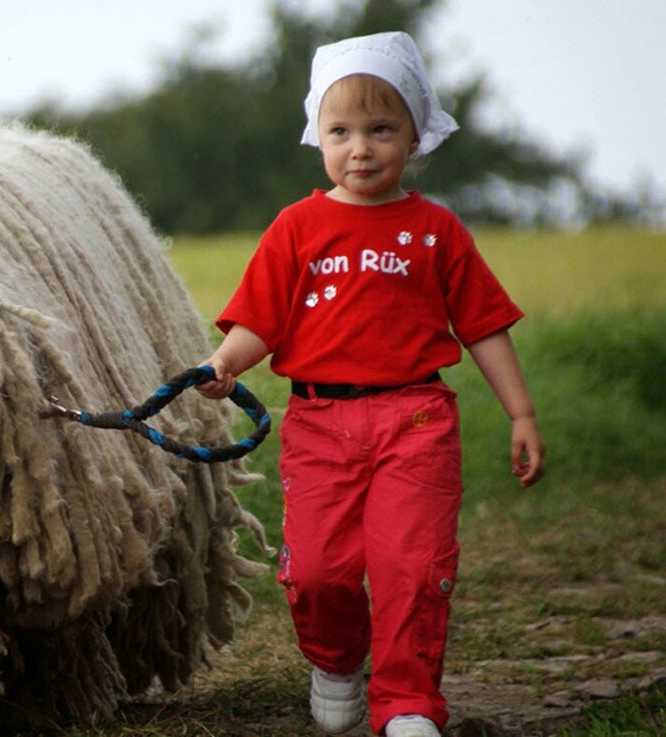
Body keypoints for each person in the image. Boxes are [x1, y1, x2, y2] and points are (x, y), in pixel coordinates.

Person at [196, 31, 546, 737]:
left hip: (416, 422)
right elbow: (261, 319)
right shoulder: (297, 228)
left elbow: (481, 326)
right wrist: (224, 363)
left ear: (414, 135)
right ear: (317, 137)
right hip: (320, 427)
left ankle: (408, 700)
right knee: (319, 572)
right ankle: (335, 660)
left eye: (381, 129)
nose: (361, 147)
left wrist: (521, 413)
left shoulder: (436, 229)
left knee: (412, 569)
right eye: (342, 130)